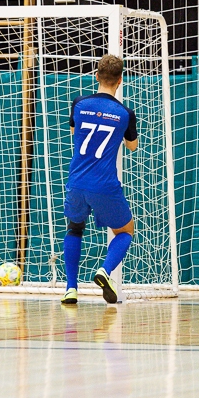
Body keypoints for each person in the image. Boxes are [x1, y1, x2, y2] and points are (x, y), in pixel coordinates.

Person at [61, 54, 137, 305]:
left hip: (77, 181)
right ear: (120, 80)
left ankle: (71, 289)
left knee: (74, 228)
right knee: (125, 230)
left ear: (96, 76)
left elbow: (75, 133)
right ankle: (104, 270)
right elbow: (132, 146)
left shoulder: (79, 103)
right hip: (104, 184)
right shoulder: (125, 113)